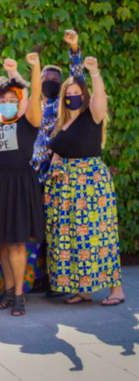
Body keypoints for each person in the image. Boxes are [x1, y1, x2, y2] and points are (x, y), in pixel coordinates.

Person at [45, 56, 125, 306]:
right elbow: (58, 152)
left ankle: (117, 290)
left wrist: (94, 73)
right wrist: (53, 173)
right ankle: (84, 289)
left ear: (84, 94)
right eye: (68, 93)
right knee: (73, 237)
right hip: (66, 187)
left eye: (77, 92)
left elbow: (100, 99)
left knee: (101, 235)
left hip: (91, 184)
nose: (72, 96)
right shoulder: (60, 124)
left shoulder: (92, 116)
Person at [0, 55, 45, 316]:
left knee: (17, 243)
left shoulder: (28, 123)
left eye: (13, 101)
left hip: (19, 186)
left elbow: (34, 94)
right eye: (4, 101)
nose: (8, 104)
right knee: (2, 243)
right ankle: (8, 291)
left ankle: (20, 297)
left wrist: (34, 67)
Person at [31, 29, 84, 298]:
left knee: (55, 227)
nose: (50, 81)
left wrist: (74, 50)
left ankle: (56, 280)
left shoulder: (59, 105)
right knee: (35, 229)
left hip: (54, 175)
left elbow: (79, 80)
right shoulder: (31, 105)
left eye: (54, 79)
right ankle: (38, 277)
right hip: (31, 175)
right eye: (45, 78)